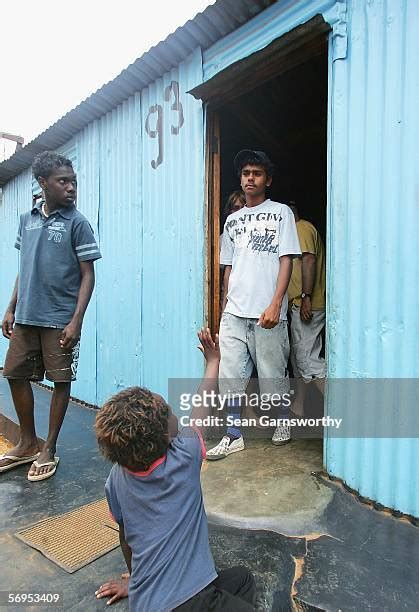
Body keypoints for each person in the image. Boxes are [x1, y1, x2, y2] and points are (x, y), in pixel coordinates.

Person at [94, 328, 256, 611]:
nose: (175, 412)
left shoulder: (116, 478)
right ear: (167, 437)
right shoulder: (184, 455)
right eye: (169, 412)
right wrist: (213, 361)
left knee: (242, 579)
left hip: (147, 603)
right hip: (191, 603)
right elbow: (202, 405)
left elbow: (126, 537)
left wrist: (135, 580)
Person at [0, 151, 101, 481]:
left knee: (60, 380)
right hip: (27, 316)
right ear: (43, 183)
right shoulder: (26, 219)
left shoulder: (78, 223)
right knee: (14, 373)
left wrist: (76, 320)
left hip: (59, 318)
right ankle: (28, 442)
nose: (71, 188)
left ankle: (49, 448)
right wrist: (12, 307)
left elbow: (88, 274)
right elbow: (23, 267)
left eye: (73, 182)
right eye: (63, 182)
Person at [206, 150, 301, 460]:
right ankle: (234, 436)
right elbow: (228, 268)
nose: (250, 178)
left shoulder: (281, 213)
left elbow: (286, 259)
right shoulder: (232, 221)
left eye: (256, 173)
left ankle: (283, 421)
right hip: (235, 311)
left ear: (267, 180)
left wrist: (276, 304)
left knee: (272, 374)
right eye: (246, 173)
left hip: (266, 311)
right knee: (230, 375)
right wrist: (224, 308)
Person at [287, 204, 326, 416]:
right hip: (300, 304)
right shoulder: (303, 229)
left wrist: (305, 297)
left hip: (307, 304)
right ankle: (299, 405)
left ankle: (340, 410)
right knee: (299, 357)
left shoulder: (300, 229)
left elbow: (308, 260)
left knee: (309, 362)